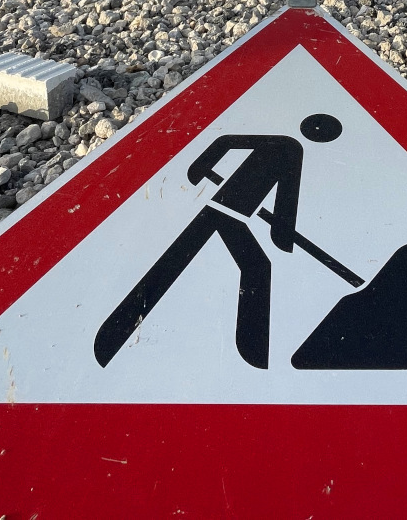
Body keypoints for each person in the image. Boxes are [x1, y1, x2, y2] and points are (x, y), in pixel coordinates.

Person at [94, 113, 343, 369]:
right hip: (226, 213)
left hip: (225, 212)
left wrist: (281, 232)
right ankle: (253, 352)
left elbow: (233, 149)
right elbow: (282, 194)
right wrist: (281, 233)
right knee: (252, 266)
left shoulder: (287, 146)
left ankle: (113, 334)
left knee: (182, 259)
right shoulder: (289, 148)